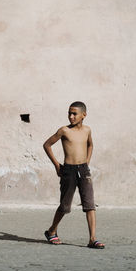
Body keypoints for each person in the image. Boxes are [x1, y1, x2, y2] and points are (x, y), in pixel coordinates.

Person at [43, 101, 104, 248]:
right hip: (68, 171)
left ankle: (92, 239)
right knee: (64, 206)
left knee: (89, 204)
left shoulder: (87, 130)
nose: (71, 116)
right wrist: (57, 165)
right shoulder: (64, 130)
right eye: (69, 113)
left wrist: (87, 162)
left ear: (84, 115)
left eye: (74, 113)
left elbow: (90, 144)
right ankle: (51, 231)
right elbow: (47, 145)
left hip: (84, 170)